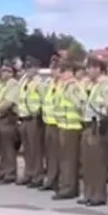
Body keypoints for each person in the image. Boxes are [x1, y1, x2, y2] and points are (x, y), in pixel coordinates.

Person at [82, 56, 108, 206]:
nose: (87, 71)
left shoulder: (107, 84)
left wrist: (105, 113)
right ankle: (89, 193)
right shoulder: (90, 84)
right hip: (87, 125)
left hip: (98, 125)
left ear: (98, 68)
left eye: (90, 67)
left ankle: (98, 195)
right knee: (88, 162)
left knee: (98, 162)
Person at [54, 62, 87, 200]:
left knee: (69, 160)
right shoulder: (63, 85)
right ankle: (66, 186)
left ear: (68, 71)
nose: (60, 75)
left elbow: (81, 103)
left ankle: (68, 188)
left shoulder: (72, 86)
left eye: (62, 72)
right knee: (65, 159)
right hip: (63, 125)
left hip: (72, 126)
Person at [16, 59, 46, 186]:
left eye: (31, 67)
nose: (29, 70)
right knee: (26, 149)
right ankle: (28, 173)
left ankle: (37, 175)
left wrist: (39, 112)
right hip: (23, 117)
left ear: (36, 69)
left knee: (35, 149)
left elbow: (44, 100)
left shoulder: (39, 83)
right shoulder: (23, 81)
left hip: (34, 118)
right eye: (27, 68)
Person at [0, 65, 21, 183]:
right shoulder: (2, 85)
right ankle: (3, 170)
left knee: (8, 147)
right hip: (0, 118)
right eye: (3, 70)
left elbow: (8, 102)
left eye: (8, 71)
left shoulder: (13, 84)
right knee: (0, 146)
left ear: (12, 73)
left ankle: (10, 172)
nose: (5, 73)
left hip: (8, 117)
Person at [41, 63, 63, 191]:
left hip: (57, 123)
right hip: (48, 122)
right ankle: (50, 178)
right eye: (52, 69)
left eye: (56, 69)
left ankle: (56, 180)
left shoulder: (62, 85)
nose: (53, 72)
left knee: (57, 154)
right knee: (49, 154)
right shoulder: (50, 84)